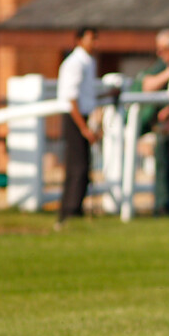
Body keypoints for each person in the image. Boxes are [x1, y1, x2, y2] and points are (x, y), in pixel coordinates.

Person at [129, 29, 169, 215]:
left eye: (164, 49)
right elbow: (146, 84)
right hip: (163, 129)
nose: (160, 53)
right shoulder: (162, 66)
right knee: (163, 166)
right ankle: (163, 206)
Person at [56, 27, 102, 228]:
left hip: (82, 116)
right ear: (79, 40)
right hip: (75, 118)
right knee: (77, 167)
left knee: (84, 166)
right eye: (90, 39)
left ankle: (76, 209)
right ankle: (69, 211)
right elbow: (71, 98)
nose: (94, 43)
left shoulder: (88, 62)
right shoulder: (75, 63)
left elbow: (86, 96)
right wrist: (84, 128)